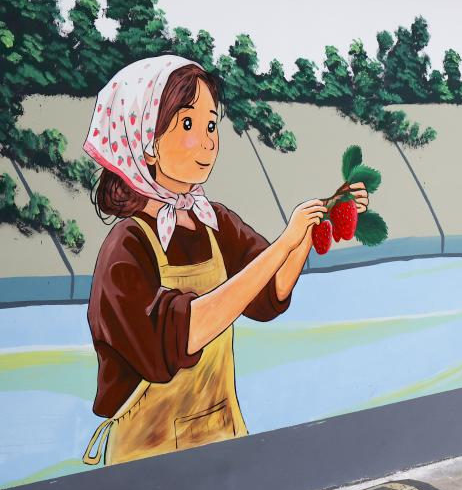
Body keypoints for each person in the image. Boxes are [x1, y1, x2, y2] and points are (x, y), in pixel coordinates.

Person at [80, 55, 368, 466]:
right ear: (146, 144)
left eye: (211, 125)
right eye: (187, 124)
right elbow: (181, 334)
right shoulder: (125, 249)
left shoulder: (214, 222)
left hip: (221, 432)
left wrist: (309, 228)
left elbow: (269, 293)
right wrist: (282, 244)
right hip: (148, 453)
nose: (208, 141)